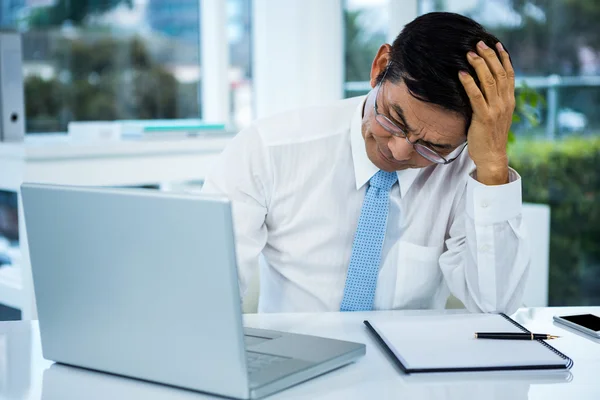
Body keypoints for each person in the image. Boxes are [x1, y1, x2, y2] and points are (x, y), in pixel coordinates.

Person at [202, 12, 530, 314]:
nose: (400, 151)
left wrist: (492, 165)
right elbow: (207, 293)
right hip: (296, 367)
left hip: (414, 370)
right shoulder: (269, 150)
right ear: (380, 66)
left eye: (431, 146)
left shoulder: (464, 171)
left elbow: (494, 307)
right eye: (393, 119)